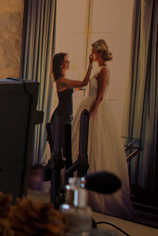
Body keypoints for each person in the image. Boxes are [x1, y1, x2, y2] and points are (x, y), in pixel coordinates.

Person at [71, 39, 134, 219]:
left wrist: (89, 117)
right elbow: (84, 83)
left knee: (95, 147)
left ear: (99, 52)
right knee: (82, 146)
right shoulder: (96, 69)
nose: (91, 53)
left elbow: (99, 97)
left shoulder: (105, 70)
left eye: (93, 51)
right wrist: (89, 65)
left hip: (95, 111)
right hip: (87, 105)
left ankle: (96, 195)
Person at [49, 52, 93, 127]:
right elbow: (84, 83)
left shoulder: (62, 81)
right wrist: (90, 65)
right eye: (66, 60)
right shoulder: (62, 81)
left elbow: (73, 89)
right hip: (62, 116)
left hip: (65, 114)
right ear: (61, 65)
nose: (68, 62)